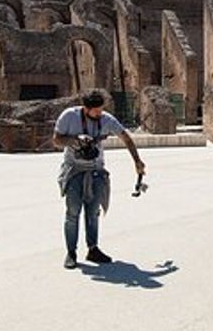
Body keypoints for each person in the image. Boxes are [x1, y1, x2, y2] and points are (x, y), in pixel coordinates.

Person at [53, 90, 146, 270]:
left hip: (96, 171)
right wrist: (75, 139)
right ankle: (71, 252)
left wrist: (137, 160)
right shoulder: (69, 116)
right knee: (72, 213)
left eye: (101, 110)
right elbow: (56, 140)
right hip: (73, 171)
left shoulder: (106, 119)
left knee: (93, 213)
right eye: (96, 111)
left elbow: (125, 137)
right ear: (86, 109)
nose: (99, 114)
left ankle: (93, 249)